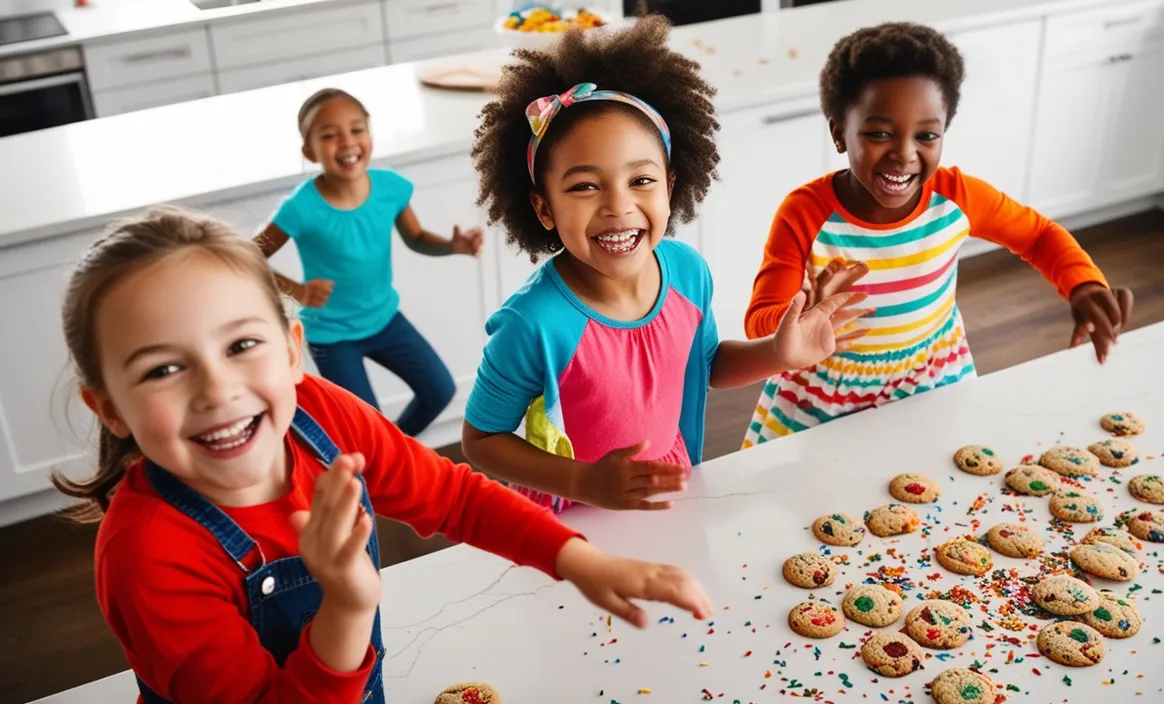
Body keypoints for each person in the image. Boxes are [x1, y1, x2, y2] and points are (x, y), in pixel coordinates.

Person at [51, 206, 714, 703]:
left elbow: (452, 496)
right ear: (108, 406)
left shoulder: (321, 414)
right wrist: (344, 606)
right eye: (164, 369)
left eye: (241, 345)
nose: (216, 389)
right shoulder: (147, 556)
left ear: (290, 350)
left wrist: (577, 559)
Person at [461, 16, 871, 514]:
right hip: (574, 509)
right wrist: (585, 482)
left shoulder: (687, 273)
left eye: (641, 180)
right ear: (543, 207)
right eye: (584, 186)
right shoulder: (533, 324)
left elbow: (704, 365)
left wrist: (778, 354)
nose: (618, 206)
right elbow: (481, 439)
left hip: (669, 486)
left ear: (671, 186)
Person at [741, 22, 1134, 448]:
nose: (905, 153)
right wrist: (797, 317)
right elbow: (758, 322)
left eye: (926, 135)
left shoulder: (957, 196)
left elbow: (1038, 236)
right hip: (827, 397)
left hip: (932, 380)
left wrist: (1082, 283)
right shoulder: (804, 213)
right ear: (839, 132)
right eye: (879, 134)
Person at [254, 88, 479, 437]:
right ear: (309, 151)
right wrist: (297, 290)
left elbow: (416, 238)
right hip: (332, 336)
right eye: (329, 135)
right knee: (366, 427)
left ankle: (396, 452)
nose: (346, 142)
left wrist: (453, 246)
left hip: (385, 320)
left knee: (440, 389)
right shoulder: (300, 208)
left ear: (370, 136)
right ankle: (380, 466)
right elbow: (249, 256)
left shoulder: (391, 188)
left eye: (356, 129)